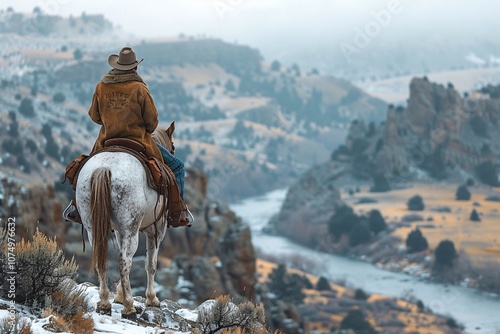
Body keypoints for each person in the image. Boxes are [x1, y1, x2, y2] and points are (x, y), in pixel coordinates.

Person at [64, 46, 189, 224]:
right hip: (139, 141)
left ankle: (77, 207)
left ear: (117, 65)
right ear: (135, 67)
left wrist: (112, 120)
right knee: (177, 167)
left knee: (83, 169)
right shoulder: (140, 88)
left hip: (106, 141)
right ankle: (177, 213)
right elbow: (152, 123)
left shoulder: (101, 87)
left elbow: (94, 116)